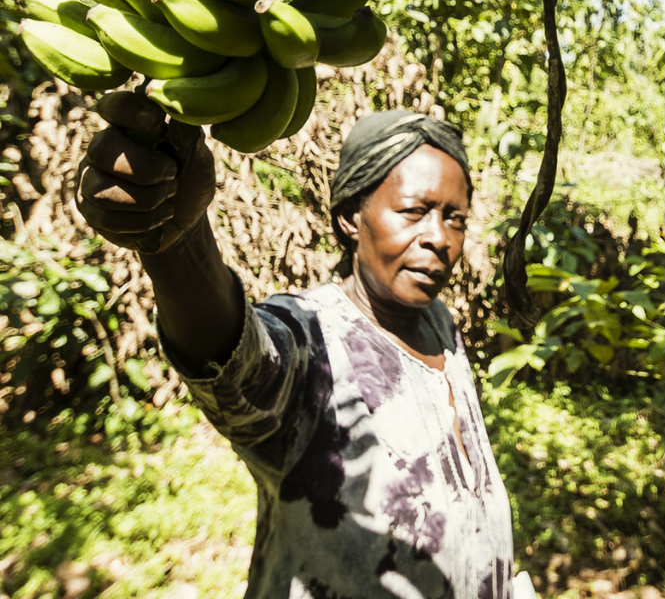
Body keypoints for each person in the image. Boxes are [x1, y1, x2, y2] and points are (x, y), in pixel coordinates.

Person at [77, 91, 525, 599]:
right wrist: (177, 246)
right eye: (415, 211)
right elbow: (237, 358)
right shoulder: (314, 335)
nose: (439, 237)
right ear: (352, 218)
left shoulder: (440, 325)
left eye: (455, 218)